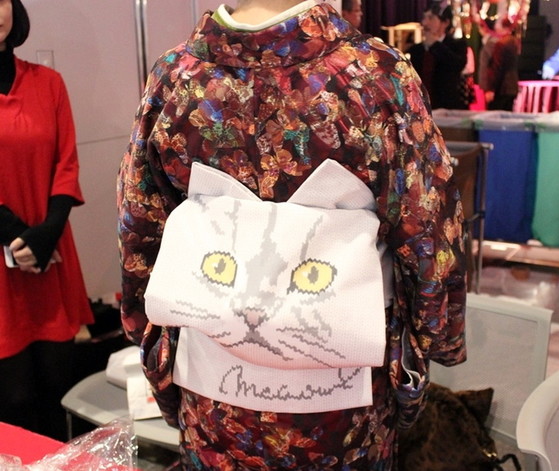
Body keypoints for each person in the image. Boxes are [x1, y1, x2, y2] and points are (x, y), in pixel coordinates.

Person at [117, 0, 467, 469]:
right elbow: (428, 231)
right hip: (343, 382)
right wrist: (437, 337)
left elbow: (140, 224)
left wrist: (145, 331)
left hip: (212, 376)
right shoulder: (375, 76)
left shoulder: (175, 77)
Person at [0, 0, 94, 441]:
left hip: (50, 251)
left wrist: (46, 233)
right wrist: (18, 236)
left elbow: (66, 163)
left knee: (60, 389)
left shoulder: (48, 83)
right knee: (13, 400)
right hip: (9, 258)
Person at [406, 2, 469, 110]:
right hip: (421, 108)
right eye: (424, 18)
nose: (425, 23)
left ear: (445, 22)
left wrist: (435, 45)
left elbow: (457, 65)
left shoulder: (456, 45)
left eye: (431, 18)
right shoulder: (416, 50)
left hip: (447, 108)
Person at [478, 16, 519, 111]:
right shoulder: (512, 41)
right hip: (510, 87)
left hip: (501, 89)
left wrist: (490, 89)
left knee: (494, 116)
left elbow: (496, 67)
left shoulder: (500, 43)